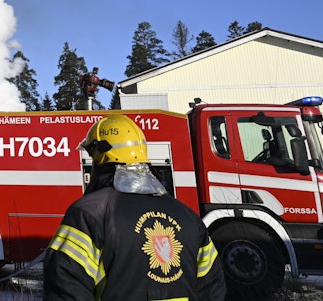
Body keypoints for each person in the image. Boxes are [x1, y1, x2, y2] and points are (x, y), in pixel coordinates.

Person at [44, 114, 225, 301]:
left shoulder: (89, 213)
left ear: (99, 158)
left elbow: (65, 287)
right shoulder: (188, 216)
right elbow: (212, 288)